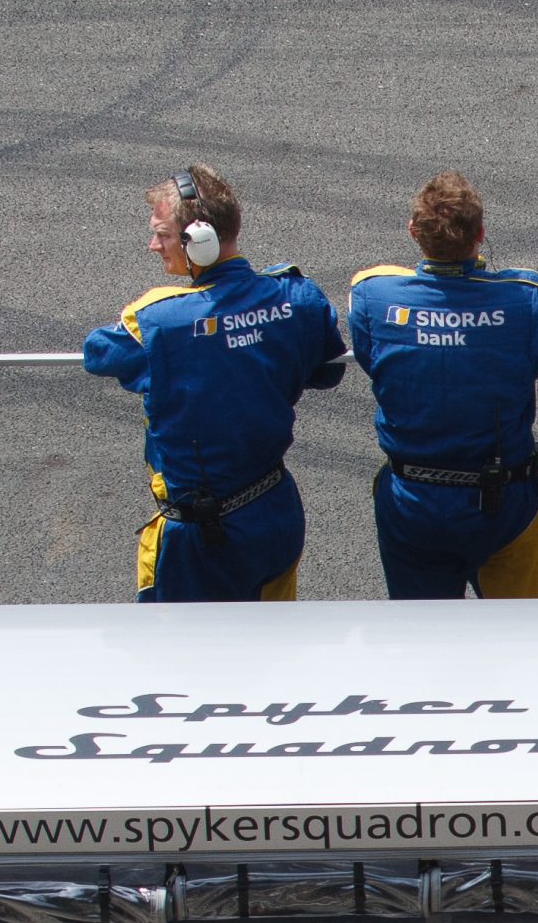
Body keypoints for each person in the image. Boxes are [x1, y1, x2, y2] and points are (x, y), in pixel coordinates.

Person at [82, 163, 347, 603]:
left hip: (198, 540)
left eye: (162, 234)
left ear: (199, 243)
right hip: (274, 513)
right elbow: (327, 370)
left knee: (182, 664)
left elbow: (98, 354)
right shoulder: (299, 298)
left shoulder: (157, 318)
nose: (153, 245)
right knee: (275, 654)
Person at [347, 172, 538, 600]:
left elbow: (369, 358)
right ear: (481, 233)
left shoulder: (373, 296)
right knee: (531, 644)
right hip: (503, 506)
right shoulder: (524, 296)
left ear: (413, 233)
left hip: (412, 503)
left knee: (423, 644)